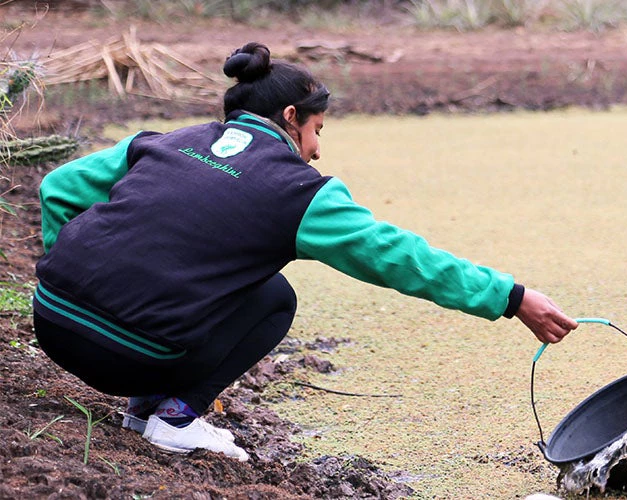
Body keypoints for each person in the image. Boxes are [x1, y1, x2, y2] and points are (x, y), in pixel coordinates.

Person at [32, 42, 578, 462]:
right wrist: (511, 297)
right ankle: (175, 419)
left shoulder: (163, 141)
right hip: (131, 355)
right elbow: (400, 256)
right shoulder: (300, 190)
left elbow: (57, 188)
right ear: (291, 118)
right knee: (272, 297)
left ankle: (141, 411)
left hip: (51, 324)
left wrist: (71, 272)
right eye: (318, 129)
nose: (318, 149)